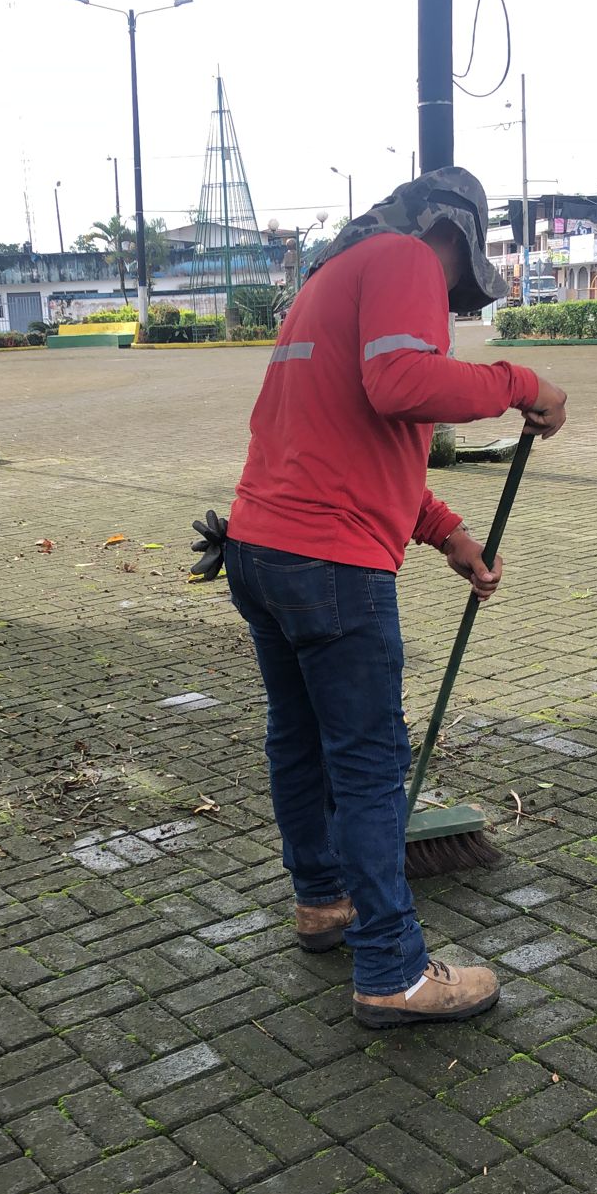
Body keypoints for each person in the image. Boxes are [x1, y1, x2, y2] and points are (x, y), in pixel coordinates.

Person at [222, 167, 567, 1028]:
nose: (448, 301)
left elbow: (348, 442)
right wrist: (521, 384)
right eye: (462, 279)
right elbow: (404, 385)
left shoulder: (325, 283)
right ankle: (392, 970)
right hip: (331, 567)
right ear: (453, 235)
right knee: (370, 766)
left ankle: (323, 901)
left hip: (260, 548)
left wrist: (449, 534)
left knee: (299, 742)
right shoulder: (407, 257)